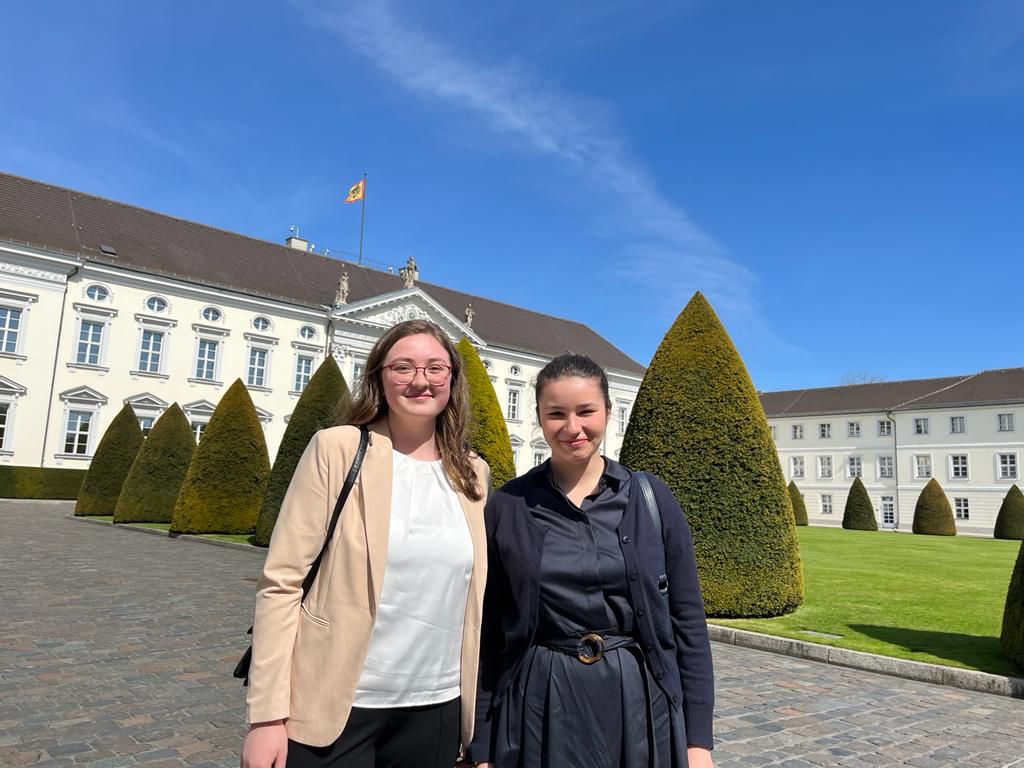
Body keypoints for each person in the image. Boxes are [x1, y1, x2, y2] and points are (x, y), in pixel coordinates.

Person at [241, 319, 491, 768]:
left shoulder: (473, 473)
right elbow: (281, 584)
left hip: (437, 705)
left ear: (452, 379)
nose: (421, 380)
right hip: (338, 702)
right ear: (379, 376)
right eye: (403, 367)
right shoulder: (337, 449)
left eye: (436, 368)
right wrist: (267, 719)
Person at [463, 354, 715, 768]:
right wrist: (483, 745)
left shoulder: (650, 499)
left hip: (636, 700)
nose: (572, 427)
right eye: (556, 413)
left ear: (609, 412)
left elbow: (687, 620)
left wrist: (698, 741)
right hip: (540, 701)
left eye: (586, 411)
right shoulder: (508, 505)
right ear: (540, 418)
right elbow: (489, 631)